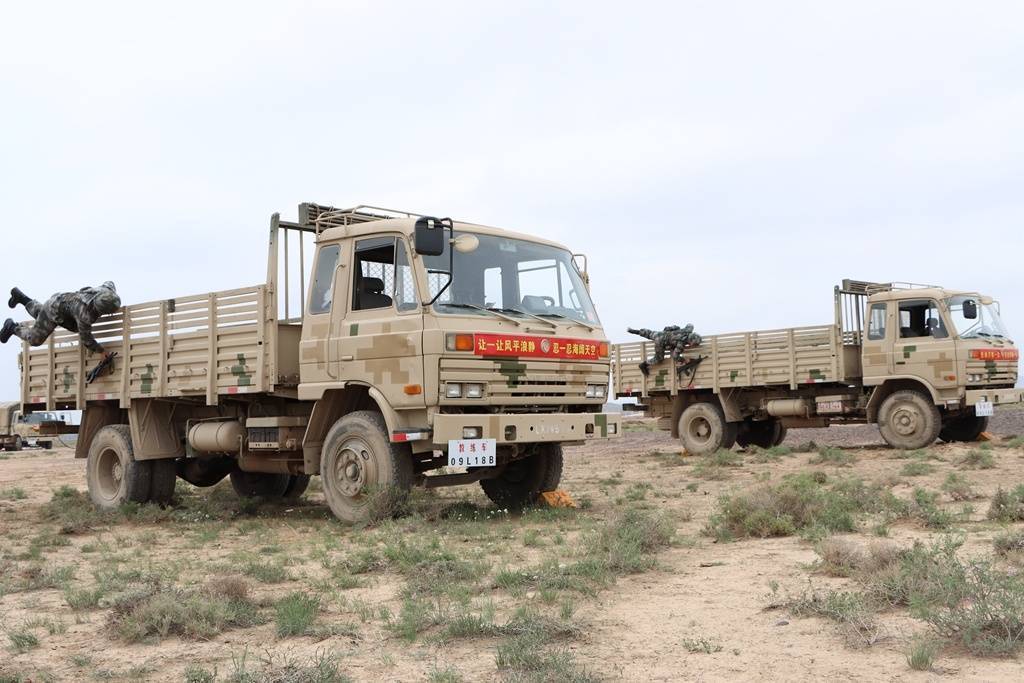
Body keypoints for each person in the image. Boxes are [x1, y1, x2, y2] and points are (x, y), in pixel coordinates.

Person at [1, 282, 121, 355]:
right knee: (35, 339)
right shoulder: (84, 314)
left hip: (60, 299)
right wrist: (101, 351)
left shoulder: (106, 290)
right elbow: (87, 339)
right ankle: (12, 327)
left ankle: (20, 297)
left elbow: (110, 282)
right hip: (55, 309)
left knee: (41, 316)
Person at [627, 324, 703, 376]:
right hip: (660, 342)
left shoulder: (688, 330)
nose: (692, 345)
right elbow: (675, 356)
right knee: (659, 358)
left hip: (662, 334)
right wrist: (683, 360)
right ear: (691, 340)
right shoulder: (681, 343)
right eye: (693, 344)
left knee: (649, 333)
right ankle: (643, 365)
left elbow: (690, 325)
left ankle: (634, 331)